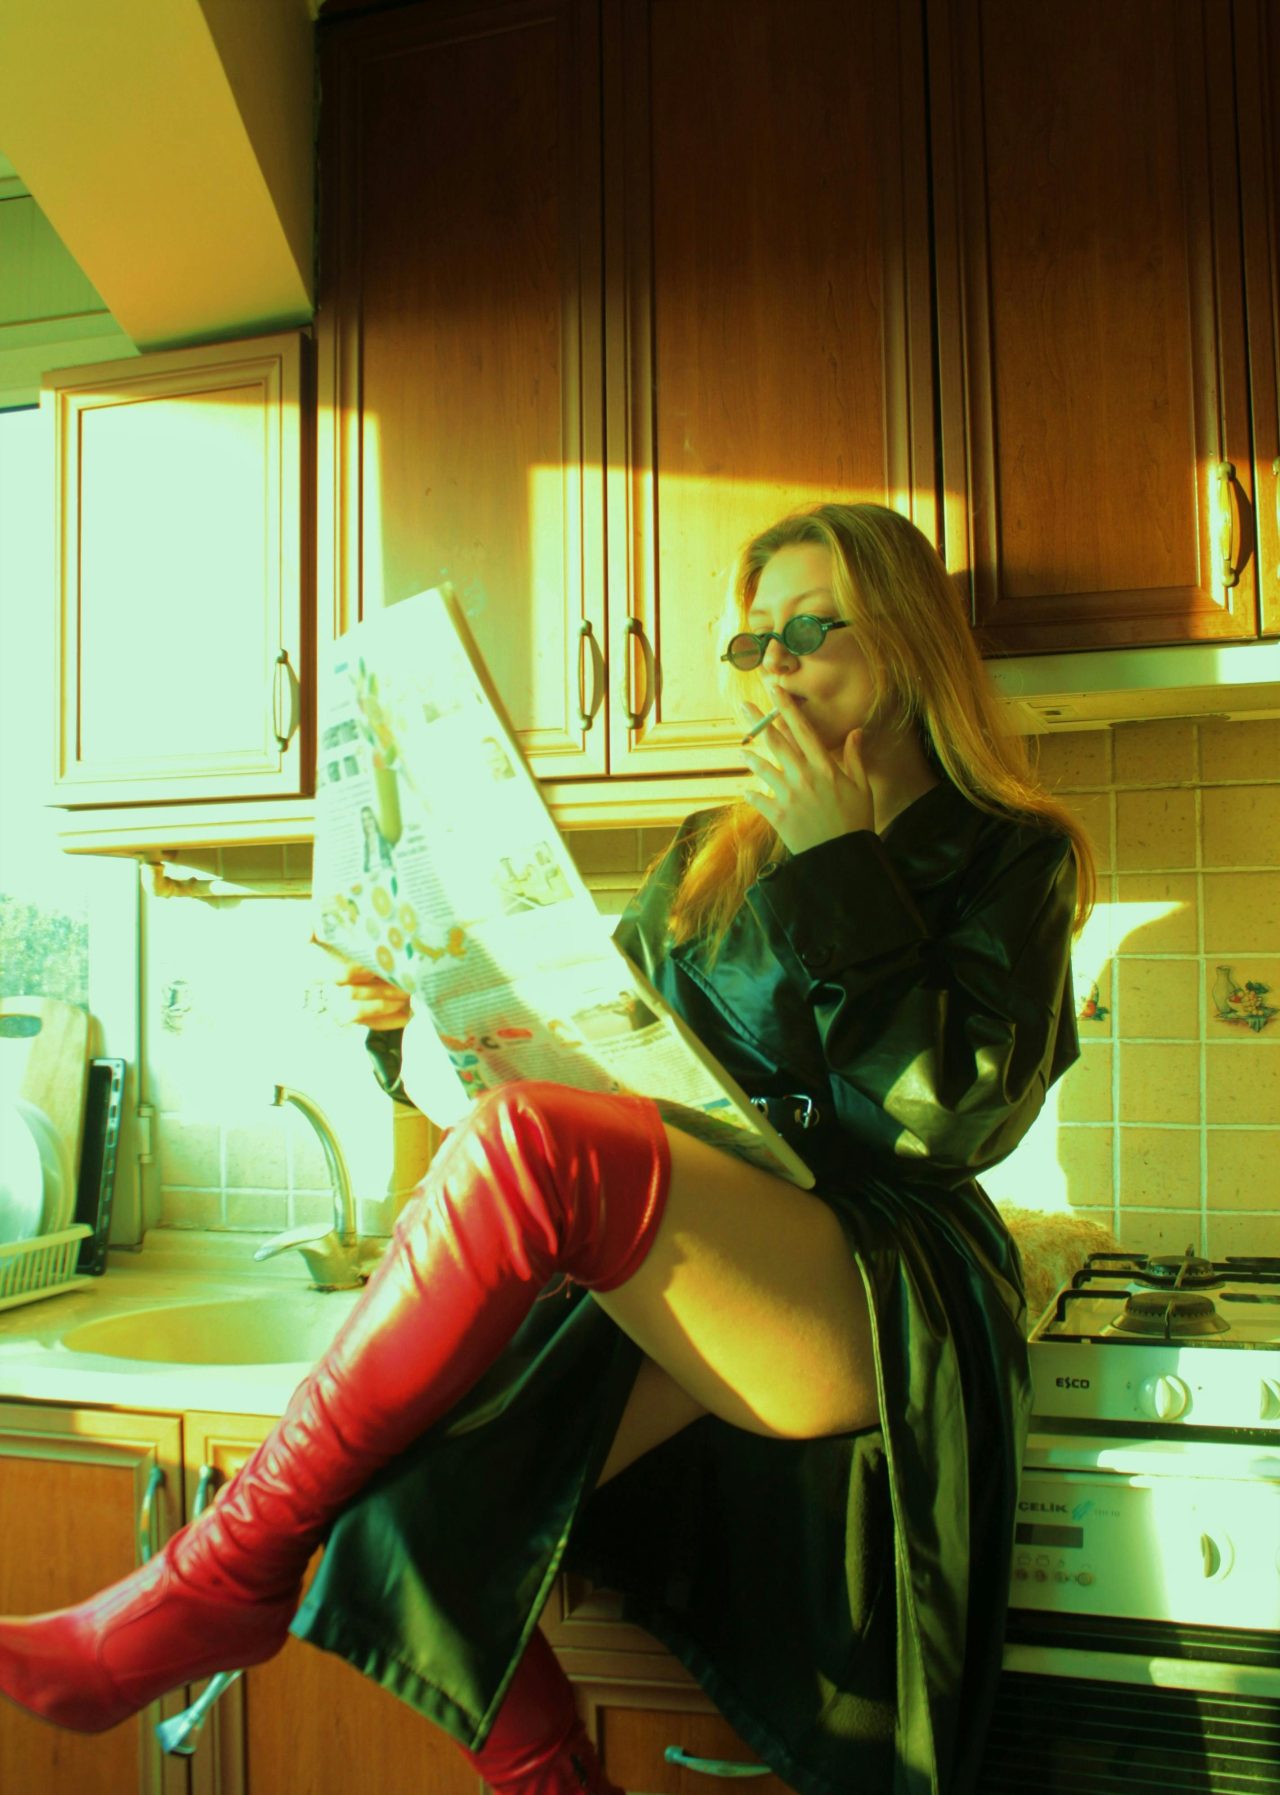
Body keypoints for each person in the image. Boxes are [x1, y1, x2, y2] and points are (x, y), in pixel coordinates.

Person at [0, 502, 1092, 1795]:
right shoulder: (709, 854)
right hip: (710, 1255)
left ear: (907, 641)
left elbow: (954, 1119)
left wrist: (838, 861)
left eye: (811, 629)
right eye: (752, 643)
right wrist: (419, 1015)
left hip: (876, 1282)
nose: (777, 666)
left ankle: (215, 1580)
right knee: (411, 1507)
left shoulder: (1011, 846)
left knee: (536, 1154)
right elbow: (593, 1060)